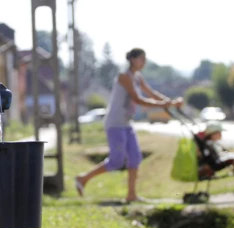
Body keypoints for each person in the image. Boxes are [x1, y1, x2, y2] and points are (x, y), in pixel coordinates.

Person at [75, 48, 183, 202]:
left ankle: (131, 195)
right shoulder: (124, 77)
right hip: (115, 123)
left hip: (126, 123)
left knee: (135, 157)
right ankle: (83, 178)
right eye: (141, 59)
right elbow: (138, 99)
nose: (144, 62)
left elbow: (151, 93)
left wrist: (171, 103)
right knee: (116, 161)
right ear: (132, 59)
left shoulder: (138, 77)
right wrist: (165, 104)